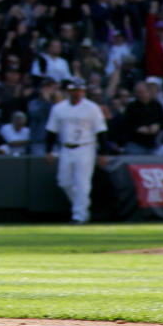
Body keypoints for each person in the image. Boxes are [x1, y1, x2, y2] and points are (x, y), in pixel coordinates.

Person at [45, 78, 107, 224]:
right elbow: (51, 131)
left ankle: (79, 216)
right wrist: (48, 150)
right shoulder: (59, 108)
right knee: (64, 181)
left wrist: (103, 153)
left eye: (80, 90)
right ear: (68, 91)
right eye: (74, 90)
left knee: (82, 183)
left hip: (86, 147)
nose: (77, 93)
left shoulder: (92, 108)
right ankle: (82, 208)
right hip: (66, 147)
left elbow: (101, 132)